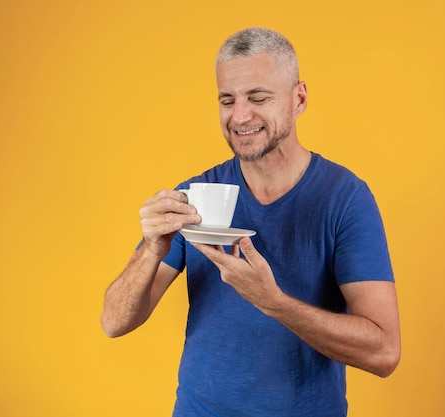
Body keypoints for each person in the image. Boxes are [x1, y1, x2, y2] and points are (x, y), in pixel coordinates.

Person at [101, 27, 401, 417]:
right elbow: (113, 322)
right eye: (228, 100)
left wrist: (273, 302)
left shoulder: (345, 198)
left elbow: (384, 352)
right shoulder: (196, 193)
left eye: (258, 97)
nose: (240, 116)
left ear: (299, 99)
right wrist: (151, 252)